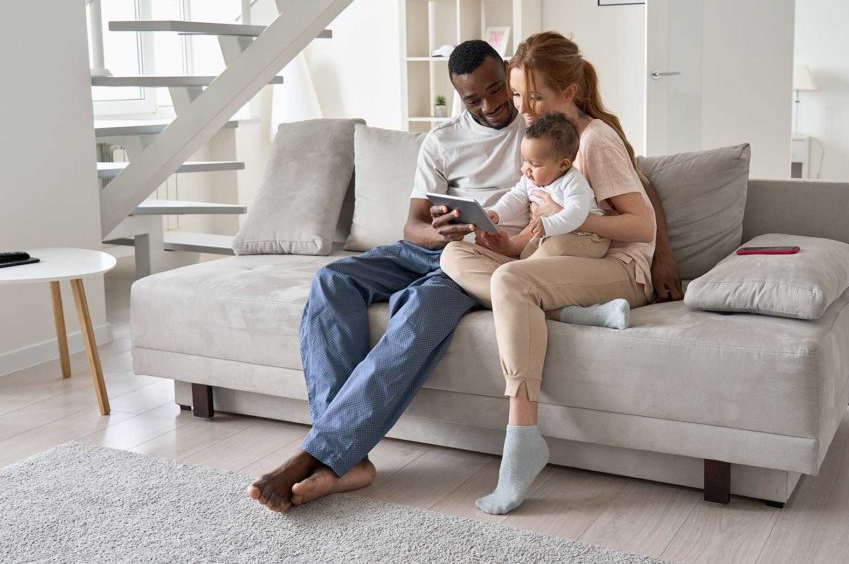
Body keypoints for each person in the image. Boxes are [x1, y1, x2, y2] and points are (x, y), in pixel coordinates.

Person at [245, 40, 528, 513]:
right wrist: (438, 233)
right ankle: (347, 459)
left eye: (496, 90)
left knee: (418, 308)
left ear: (507, 72)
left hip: (478, 264)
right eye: (473, 100)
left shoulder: (540, 126)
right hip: (433, 250)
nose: (490, 105)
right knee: (332, 280)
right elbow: (411, 227)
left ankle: (321, 454)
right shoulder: (442, 141)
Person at [440, 31, 666, 515]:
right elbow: (531, 207)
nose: (523, 106)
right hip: (560, 262)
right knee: (453, 256)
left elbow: (642, 224)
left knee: (511, 280)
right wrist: (498, 233)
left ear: (570, 90)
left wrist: (573, 219)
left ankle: (522, 440)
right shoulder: (543, 139)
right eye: (518, 93)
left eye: (536, 95)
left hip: (618, 269)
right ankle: (570, 313)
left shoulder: (595, 140)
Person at [486, 112, 610, 264]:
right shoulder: (529, 180)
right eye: (525, 161)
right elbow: (515, 197)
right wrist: (497, 212)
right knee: (527, 253)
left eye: (535, 164)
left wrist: (548, 225)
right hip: (551, 232)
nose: (526, 169)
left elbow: (576, 214)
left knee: (552, 249)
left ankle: (521, 273)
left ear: (563, 165)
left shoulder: (573, 181)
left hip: (588, 237)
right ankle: (517, 269)